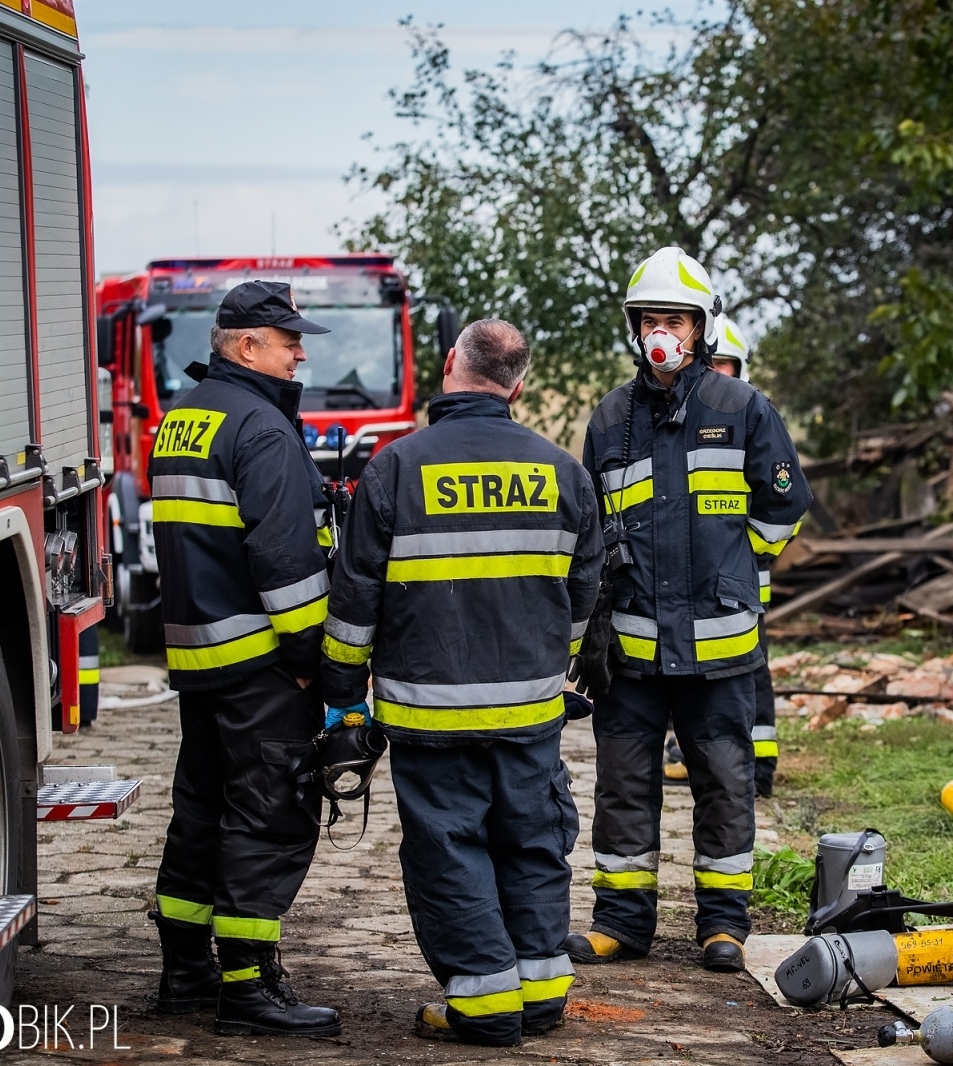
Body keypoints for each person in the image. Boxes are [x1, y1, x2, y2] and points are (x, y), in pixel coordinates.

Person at [319, 319, 602, 1048]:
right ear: (520, 385)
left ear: (449, 364)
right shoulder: (562, 471)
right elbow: (581, 593)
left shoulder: (396, 468)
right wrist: (551, 664)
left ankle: (481, 1004)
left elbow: (354, 600)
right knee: (533, 844)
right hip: (531, 713)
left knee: (450, 850)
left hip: (429, 713)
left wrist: (344, 694)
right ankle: (541, 996)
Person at [568, 248, 811, 972]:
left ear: (700, 327)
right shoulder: (610, 419)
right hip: (632, 655)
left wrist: (741, 567)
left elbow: (786, 504)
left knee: (726, 787)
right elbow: (590, 526)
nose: (659, 332)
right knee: (622, 790)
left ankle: (723, 927)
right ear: (634, 328)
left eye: (672, 318)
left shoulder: (741, 409)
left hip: (721, 651)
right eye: (648, 319)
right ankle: (620, 923)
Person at [148, 280, 339, 1037]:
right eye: (289, 339)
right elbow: (287, 562)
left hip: (201, 661)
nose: (300, 352)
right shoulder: (261, 429)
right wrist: (309, 660)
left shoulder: (184, 419)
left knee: (199, 811)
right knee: (268, 818)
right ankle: (248, 991)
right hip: (263, 665)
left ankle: (185, 975)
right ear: (248, 345)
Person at [659, 312, 786, 797]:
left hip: (743, 588)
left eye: (727, 366)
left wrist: (735, 552)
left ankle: (758, 769)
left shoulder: (752, 419)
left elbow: (779, 503)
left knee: (751, 676)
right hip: (695, 586)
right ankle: (690, 754)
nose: (719, 375)